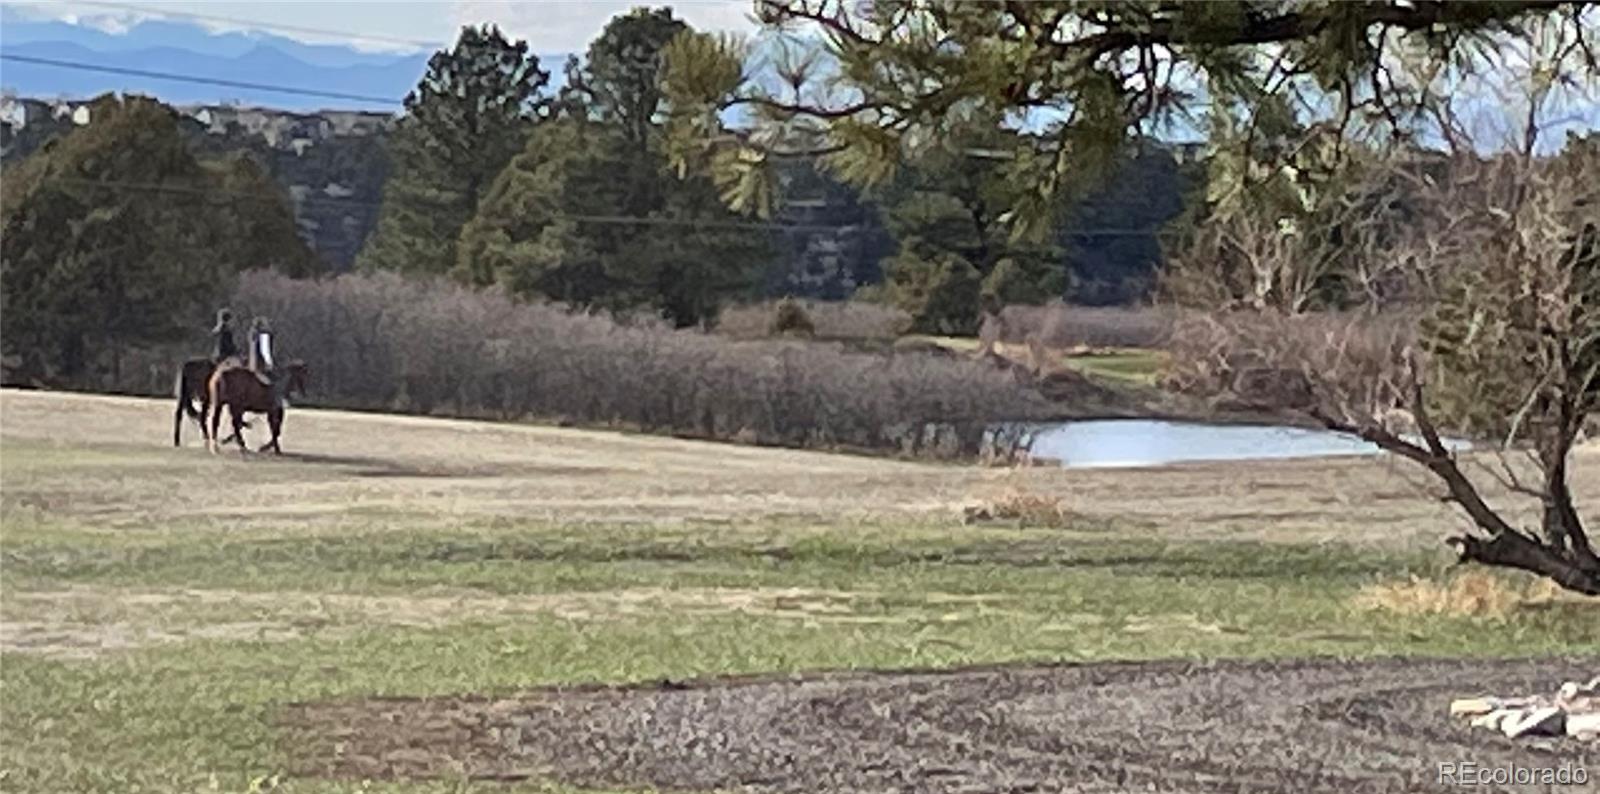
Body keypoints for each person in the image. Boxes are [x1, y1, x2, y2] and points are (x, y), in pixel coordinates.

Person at [247, 316, 287, 407]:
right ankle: (276, 401)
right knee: (276, 380)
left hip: (251, 363)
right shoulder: (264, 334)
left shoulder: (252, 334)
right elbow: (265, 350)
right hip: (261, 364)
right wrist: (269, 363)